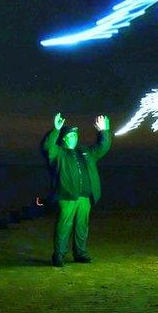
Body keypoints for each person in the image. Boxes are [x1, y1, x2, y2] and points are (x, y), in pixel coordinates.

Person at [41, 112, 111, 267]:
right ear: (65, 138)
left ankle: (80, 254)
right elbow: (47, 147)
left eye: (76, 135)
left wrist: (103, 131)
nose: (75, 137)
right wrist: (56, 130)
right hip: (66, 196)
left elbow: (102, 147)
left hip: (84, 197)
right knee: (64, 225)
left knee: (82, 226)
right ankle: (58, 255)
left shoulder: (84, 152)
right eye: (71, 135)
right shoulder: (58, 153)